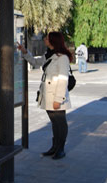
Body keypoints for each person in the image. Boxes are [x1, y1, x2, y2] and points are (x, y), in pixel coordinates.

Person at [17, 32, 72, 160]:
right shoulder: (49, 55)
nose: (45, 39)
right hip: (48, 95)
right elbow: (35, 62)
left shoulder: (62, 58)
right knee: (54, 123)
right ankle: (54, 147)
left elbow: (63, 80)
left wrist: (58, 99)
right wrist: (25, 52)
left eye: (47, 38)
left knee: (60, 123)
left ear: (53, 40)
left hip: (56, 97)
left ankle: (61, 149)